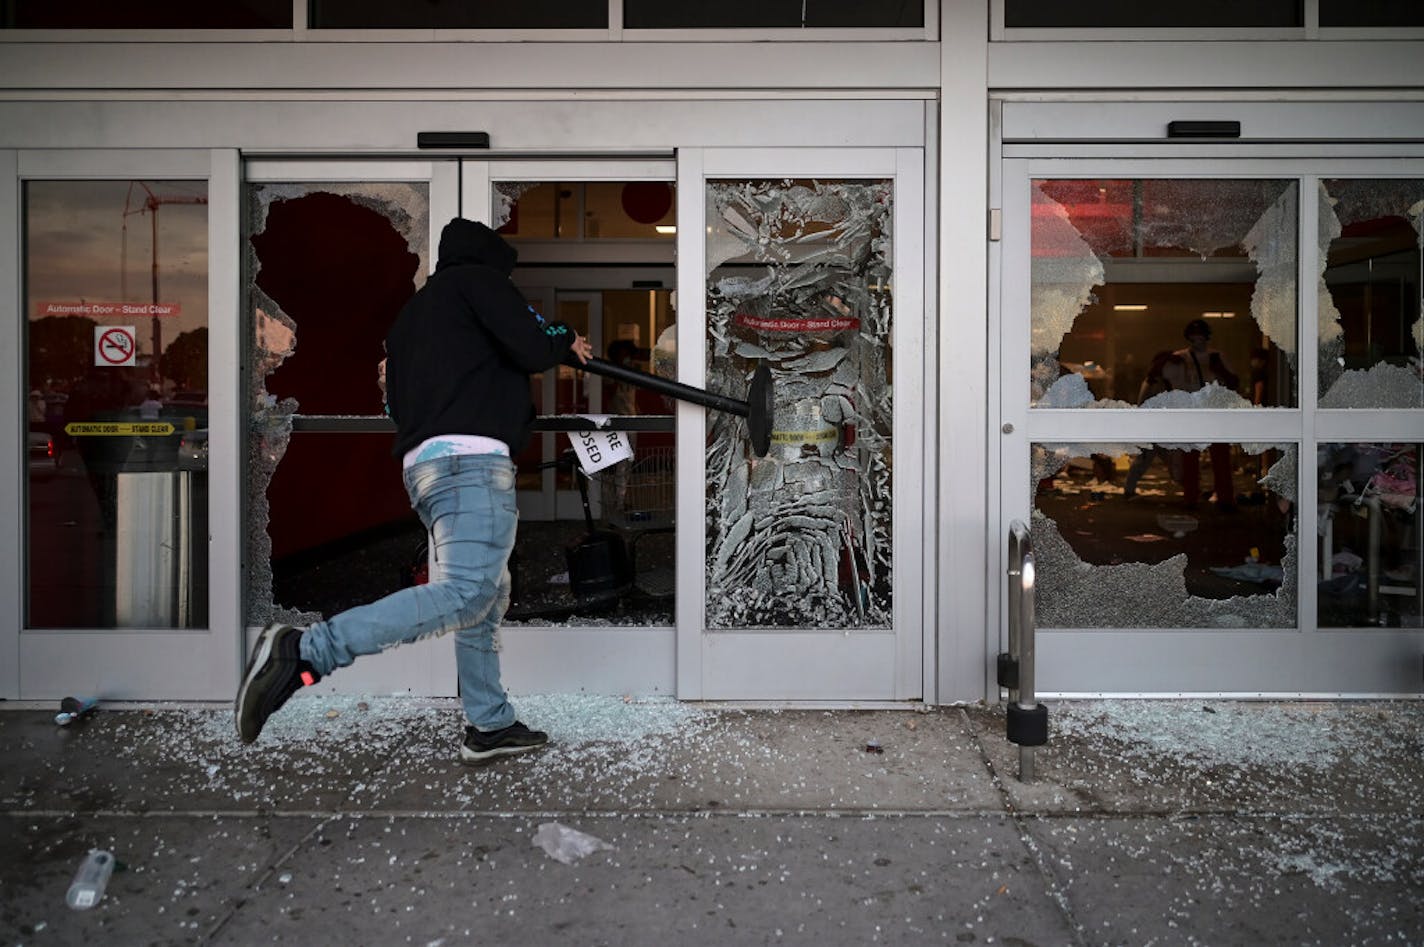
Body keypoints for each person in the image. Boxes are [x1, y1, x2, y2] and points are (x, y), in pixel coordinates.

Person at [235, 217, 593, 764]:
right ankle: (304, 651)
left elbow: (396, 406)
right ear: (491, 260)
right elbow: (529, 343)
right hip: (471, 463)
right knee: (469, 593)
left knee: (484, 600)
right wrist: (564, 337)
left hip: (426, 469)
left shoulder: (411, 320)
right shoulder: (480, 283)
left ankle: (490, 724)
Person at [1162, 318, 1239, 511]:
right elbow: (1166, 378)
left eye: (1201, 338)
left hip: (1211, 411)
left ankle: (1221, 498)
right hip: (1195, 412)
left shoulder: (1216, 357)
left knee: (1218, 457)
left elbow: (1233, 382)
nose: (1198, 342)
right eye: (1195, 338)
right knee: (1192, 459)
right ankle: (1194, 497)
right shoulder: (1180, 358)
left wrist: (1218, 369)